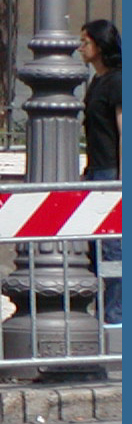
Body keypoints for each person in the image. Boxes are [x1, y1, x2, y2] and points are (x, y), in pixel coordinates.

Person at [77, 19, 122, 324]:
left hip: (111, 172)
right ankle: (104, 309)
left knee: (113, 245)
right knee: (96, 246)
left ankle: (116, 312)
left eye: (85, 42)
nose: (80, 47)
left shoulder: (118, 81)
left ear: (99, 46)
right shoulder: (96, 82)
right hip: (96, 170)